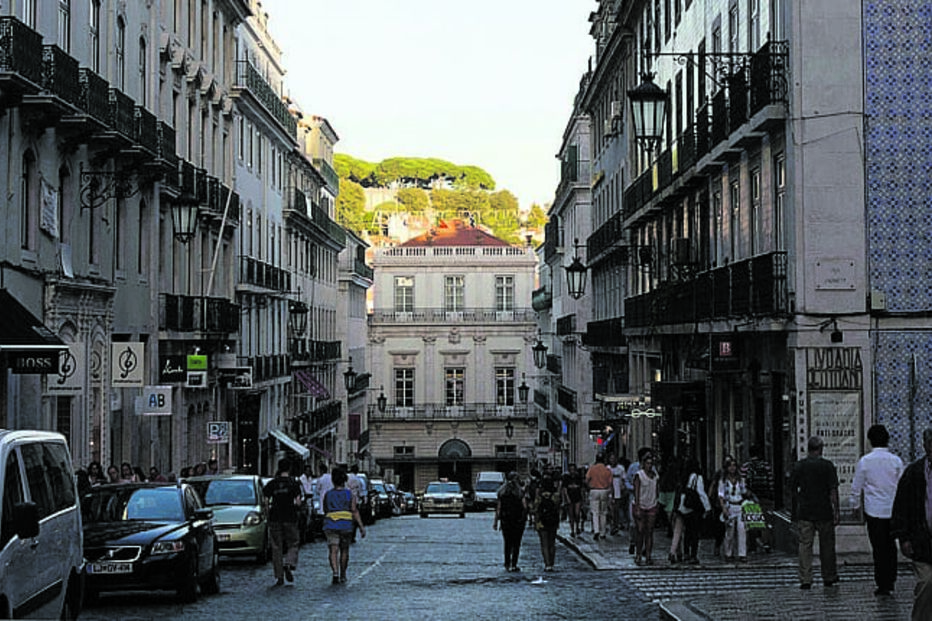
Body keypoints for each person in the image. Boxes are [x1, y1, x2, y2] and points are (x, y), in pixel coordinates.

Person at [851, 424, 903, 597]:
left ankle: (882, 583)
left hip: (873, 510)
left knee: (879, 548)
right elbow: (902, 486)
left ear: (870, 440)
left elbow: (856, 486)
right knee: (891, 547)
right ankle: (891, 580)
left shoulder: (865, 461)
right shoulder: (896, 461)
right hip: (893, 509)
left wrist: (855, 506)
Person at [790, 436, 840, 590]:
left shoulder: (800, 466)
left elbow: (792, 488)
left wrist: (797, 505)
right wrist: (836, 510)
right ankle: (828, 575)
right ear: (821, 449)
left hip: (805, 510)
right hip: (824, 510)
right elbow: (833, 490)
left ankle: (805, 578)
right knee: (827, 545)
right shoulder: (827, 466)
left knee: (805, 545)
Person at [893, 428, 932, 620]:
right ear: (925, 445)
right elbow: (902, 506)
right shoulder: (914, 473)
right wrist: (903, 537)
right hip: (922, 540)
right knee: (926, 582)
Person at [263, 458, 303, 587]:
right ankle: (289, 563)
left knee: (276, 547)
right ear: (289, 469)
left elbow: (265, 501)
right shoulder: (294, 483)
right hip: (290, 517)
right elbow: (297, 501)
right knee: (293, 542)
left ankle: (279, 576)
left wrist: (268, 513)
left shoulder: (272, 483)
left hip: (275, 517)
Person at [322, 467, 366, 584]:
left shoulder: (328, 494)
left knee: (333, 549)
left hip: (331, 524)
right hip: (346, 525)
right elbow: (354, 510)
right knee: (344, 550)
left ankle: (335, 572)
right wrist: (361, 527)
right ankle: (343, 574)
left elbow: (325, 509)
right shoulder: (349, 494)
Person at [670, 458, 709, 565]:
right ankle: (693, 554)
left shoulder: (684, 476)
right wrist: (707, 507)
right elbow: (701, 493)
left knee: (687, 531)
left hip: (683, 506)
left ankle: (685, 552)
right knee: (695, 532)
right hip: (694, 507)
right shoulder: (697, 477)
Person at [741, 445, 775, 553]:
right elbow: (770, 482)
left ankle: (752, 546)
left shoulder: (745, 467)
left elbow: (743, 484)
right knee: (765, 521)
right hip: (765, 497)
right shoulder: (766, 466)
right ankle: (766, 543)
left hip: (751, 497)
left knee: (752, 521)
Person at [493, 471, 526, 572]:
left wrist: (495, 522)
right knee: (516, 543)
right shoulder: (520, 492)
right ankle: (514, 564)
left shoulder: (502, 492)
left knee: (507, 542)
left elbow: (498, 508)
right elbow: (525, 506)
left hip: (506, 520)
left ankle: (507, 563)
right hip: (518, 520)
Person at [718, 456, 750, 562]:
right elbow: (721, 495)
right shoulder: (723, 481)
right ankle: (728, 553)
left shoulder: (740, 480)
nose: (732, 468)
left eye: (734, 465)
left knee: (742, 530)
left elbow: (744, 492)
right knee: (729, 532)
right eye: (730, 466)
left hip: (740, 505)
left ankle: (742, 554)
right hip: (730, 506)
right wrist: (723, 508)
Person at [632, 451, 659, 565]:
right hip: (641, 505)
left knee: (650, 531)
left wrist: (657, 502)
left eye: (651, 463)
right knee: (640, 531)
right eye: (647, 463)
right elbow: (636, 491)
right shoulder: (639, 475)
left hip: (651, 504)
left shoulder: (655, 476)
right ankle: (638, 554)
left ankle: (648, 555)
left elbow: (657, 490)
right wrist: (637, 507)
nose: (649, 466)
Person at [534, 473, 560, 571]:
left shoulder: (539, 497)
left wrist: (536, 522)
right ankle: (552, 563)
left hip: (542, 522)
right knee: (552, 543)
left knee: (544, 544)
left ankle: (547, 564)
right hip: (553, 521)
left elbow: (535, 510)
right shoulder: (555, 496)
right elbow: (558, 508)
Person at [585, 453, 613, 541]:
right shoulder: (607, 470)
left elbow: (586, 480)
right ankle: (603, 532)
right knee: (603, 512)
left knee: (595, 512)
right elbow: (610, 482)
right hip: (604, 490)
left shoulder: (592, 469)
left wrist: (589, 486)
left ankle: (596, 530)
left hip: (594, 490)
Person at [608, 453, 628, 535]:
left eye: (614, 459)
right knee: (611, 510)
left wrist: (623, 488)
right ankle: (613, 525)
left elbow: (624, 479)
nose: (612, 460)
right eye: (611, 459)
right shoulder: (607, 469)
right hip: (609, 493)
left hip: (618, 492)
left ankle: (616, 525)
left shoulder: (621, 468)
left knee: (616, 510)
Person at [561, 464, 584, 537]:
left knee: (577, 513)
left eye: (573, 469)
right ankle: (572, 530)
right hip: (570, 497)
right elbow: (564, 488)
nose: (572, 471)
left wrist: (583, 497)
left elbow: (582, 487)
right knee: (571, 514)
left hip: (577, 497)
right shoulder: (566, 478)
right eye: (571, 469)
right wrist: (566, 498)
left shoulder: (578, 477)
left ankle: (577, 526)